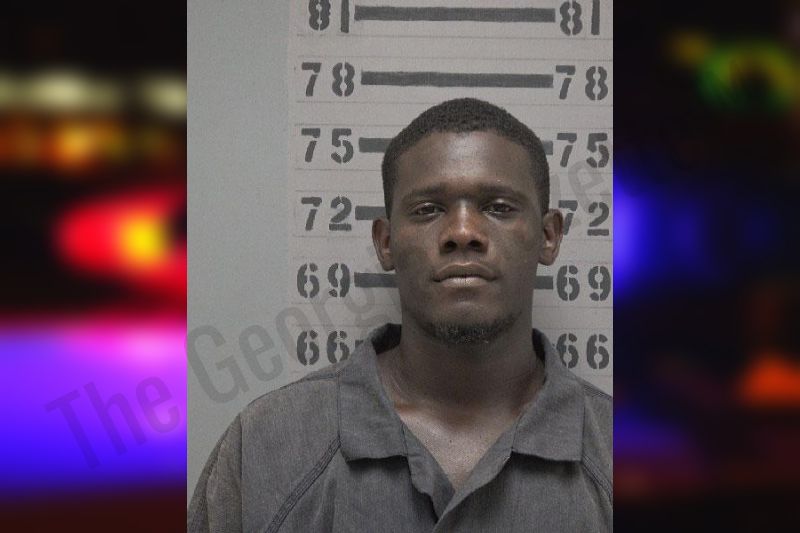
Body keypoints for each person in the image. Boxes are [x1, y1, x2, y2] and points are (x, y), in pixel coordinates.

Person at [188, 98, 612, 532]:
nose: (463, 232)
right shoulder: (265, 448)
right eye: (428, 209)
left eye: (499, 207)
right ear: (386, 242)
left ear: (548, 236)